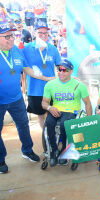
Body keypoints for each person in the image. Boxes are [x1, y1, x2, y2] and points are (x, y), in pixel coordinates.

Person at [0, 21, 53, 174]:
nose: (11, 39)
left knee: (23, 125)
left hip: (16, 99)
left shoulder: (16, 50)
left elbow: (27, 69)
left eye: (12, 35)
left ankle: (27, 150)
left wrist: (47, 79)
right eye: (7, 36)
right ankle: (1, 159)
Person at [42, 59, 92, 167]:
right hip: (56, 110)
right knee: (49, 123)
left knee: (65, 124)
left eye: (64, 70)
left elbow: (87, 103)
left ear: (71, 71)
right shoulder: (50, 85)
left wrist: (89, 120)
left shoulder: (79, 85)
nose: (61, 72)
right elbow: (44, 103)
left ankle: (65, 152)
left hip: (72, 111)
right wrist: (50, 108)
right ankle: (55, 151)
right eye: (59, 69)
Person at [23, 20, 61, 129]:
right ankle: (45, 136)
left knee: (52, 113)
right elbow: (23, 67)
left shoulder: (52, 48)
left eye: (45, 33)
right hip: (34, 89)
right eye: (40, 33)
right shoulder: (26, 49)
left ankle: (52, 134)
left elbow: (60, 66)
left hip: (51, 88)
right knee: (40, 115)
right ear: (35, 33)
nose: (43, 35)